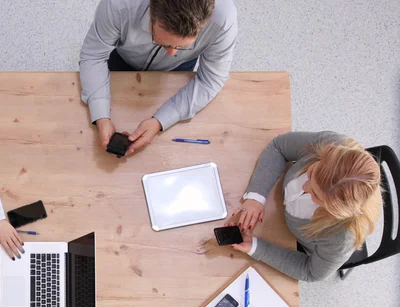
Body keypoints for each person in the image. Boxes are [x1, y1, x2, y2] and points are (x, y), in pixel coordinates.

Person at [79, 0, 237, 155]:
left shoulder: (224, 18)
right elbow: (94, 57)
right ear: (150, 12)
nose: (172, 53)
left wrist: (160, 121)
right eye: (164, 43)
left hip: (177, 70)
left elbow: (210, 80)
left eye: (182, 47)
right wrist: (100, 115)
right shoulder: (118, 4)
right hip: (122, 59)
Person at [227, 131, 382, 282]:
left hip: (290, 239)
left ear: (333, 210)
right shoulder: (332, 142)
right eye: (311, 173)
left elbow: (311, 272)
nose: (305, 188)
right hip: (276, 209)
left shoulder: (342, 238)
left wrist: (256, 247)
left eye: (316, 195)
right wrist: (256, 196)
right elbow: (279, 146)